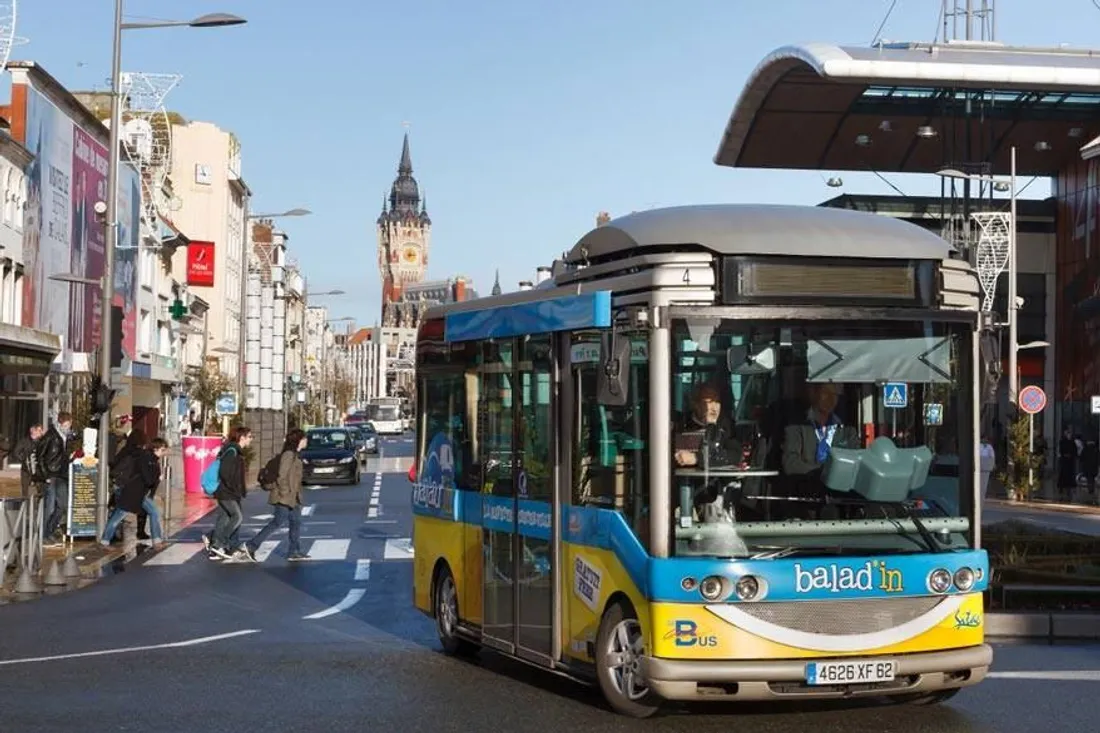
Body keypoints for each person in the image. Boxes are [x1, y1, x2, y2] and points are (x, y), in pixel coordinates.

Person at [240, 429, 309, 562]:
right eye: (305, 438)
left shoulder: (295, 454)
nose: (306, 441)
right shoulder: (288, 455)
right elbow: (282, 476)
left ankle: (294, 551)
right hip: (284, 496)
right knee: (277, 522)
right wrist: (285, 493)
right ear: (299, 440)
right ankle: (251, 546)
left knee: (295, 522)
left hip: (293, 497)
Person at [100, 430, 167, 549]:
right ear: (155, 449)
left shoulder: (150, 458)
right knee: (118, 516)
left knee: (153, 512)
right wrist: (157, 477)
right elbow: (148, 479)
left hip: (139, 493)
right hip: (132, 492)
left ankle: (157, 541)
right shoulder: (145, 458)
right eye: (162, 450)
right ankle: (104, 541)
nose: (164, 453)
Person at [203, 426, 252, 560]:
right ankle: (219, 543)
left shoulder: (233, 450)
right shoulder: (232, 451)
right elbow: (225, 472)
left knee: (224, 518)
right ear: (242, 438)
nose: (251, 440)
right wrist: (234, 487)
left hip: (226, 491)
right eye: (249, 437)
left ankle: (215, 548)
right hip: (227, 492)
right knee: (237, 517)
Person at [36, 412, 73, 545]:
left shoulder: (65, 437)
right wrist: (45, 475)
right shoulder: (50, 436)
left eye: (69, 425)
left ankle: (50, 531)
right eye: (66, 425)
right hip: (51, 476)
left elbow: (61, 457)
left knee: (62, 505)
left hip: (61, 476)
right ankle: (43, 535)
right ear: (60, 423)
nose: (68, 428)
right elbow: (39, 456)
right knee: (50, 507)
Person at [10, 424, 44, 499]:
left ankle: (39, 507)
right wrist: (24, 459)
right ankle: (26, 507)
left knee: (41, 491)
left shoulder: (42, 442)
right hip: (26, 470)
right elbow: (16, 452)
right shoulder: (24, 441)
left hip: (38, 470)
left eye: (41, 430)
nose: (41, 432)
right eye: (39, 430)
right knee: (25, 491)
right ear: (33, 430)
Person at [979, 435, 995, 503]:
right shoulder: (978, 445)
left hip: (986, 465)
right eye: (983, 439)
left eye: (986, 439)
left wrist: (993, 463)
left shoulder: (989, 447)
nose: (985, 440)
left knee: (985, 482)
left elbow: (992, 456)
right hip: (979, 465)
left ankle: (983, 494)